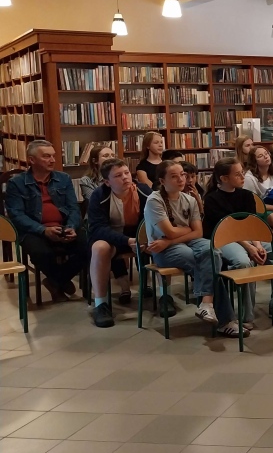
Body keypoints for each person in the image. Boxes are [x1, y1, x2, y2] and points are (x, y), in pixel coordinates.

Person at [144, 161, 243, 337]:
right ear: (162, 181)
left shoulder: (189, 199)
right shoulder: (154, 200)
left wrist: (170, 240)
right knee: (207, 264)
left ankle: (207, 304)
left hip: (175, 243)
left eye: (182, 174)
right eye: (174, 176)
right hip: (162, 250)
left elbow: (198, 233)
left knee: (213, 251)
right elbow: (170, 231)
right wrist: (184, 231)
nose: (181, 179)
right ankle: (225, 320)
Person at [203, 158, 273, 325]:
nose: (242, 177)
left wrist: (258, 245)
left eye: (242, 173)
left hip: (249, 238)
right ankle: (246, 316)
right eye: (237, 174)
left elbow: (253, 224)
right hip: (225, 240)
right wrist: (249, 247)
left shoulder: (246, 195)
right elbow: (227, 230)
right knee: (243, 262)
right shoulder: (211, 199)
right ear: (224, 178)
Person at [6, 140, 89, 301]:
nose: (52, 160)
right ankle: (61, 281)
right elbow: (16, 215)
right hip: (34, 230)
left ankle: (55, 281)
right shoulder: (16, 183)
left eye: (53, 156)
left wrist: (71, 227)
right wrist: (43, 230)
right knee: (41, 252)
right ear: (32, 160)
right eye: (46, 156)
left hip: (63, 226)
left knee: (89, 245)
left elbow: (73, 208)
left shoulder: (63, 178)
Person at [87, 158, 150, 326]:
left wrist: (142, 239)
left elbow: (154, 219)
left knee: (161, 242)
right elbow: (97, 228)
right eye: (118, 175)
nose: (125, 178)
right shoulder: (98, 196)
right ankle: (101, 304)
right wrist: (126, 240)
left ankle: (165, 296)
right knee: (99, 248)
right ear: (107, 182)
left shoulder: (144, 191)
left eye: (127, 173)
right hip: (111, 238)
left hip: (137, 237)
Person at [242, 146, 273, 242]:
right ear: (254, 161)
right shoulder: (249, 178)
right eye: (260, 156)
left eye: (266, 153)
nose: (266, 156)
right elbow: (254, 205)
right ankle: (270, 246)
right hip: (259, 210)